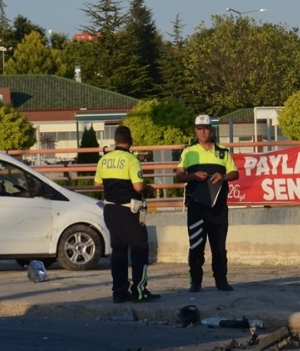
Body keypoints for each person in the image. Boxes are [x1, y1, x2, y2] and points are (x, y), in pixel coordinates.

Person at [93, 126, 160, 304]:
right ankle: (139, 291)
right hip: (128, 210)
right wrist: (149, 189)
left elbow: (97, 184)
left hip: (110, 210)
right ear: (130, 141)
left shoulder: (104, 160)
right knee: (140, 248)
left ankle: (119, 292)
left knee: (119, 250)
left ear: (115, 141)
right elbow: (138, 187)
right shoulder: (131, 159)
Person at [175, 115, 239, 293]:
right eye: (199, 128)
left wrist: (224, 176)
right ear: (195, 131)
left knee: (219, 246)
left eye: (206, 128)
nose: (202, 132)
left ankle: (221, 281)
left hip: (218, 207)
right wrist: (193, 176)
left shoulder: (222, 151)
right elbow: (179, 175)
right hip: (197, 206)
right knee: (196, 245)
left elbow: (235, 173)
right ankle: (195, 282)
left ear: (211, 130)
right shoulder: (189, 152)